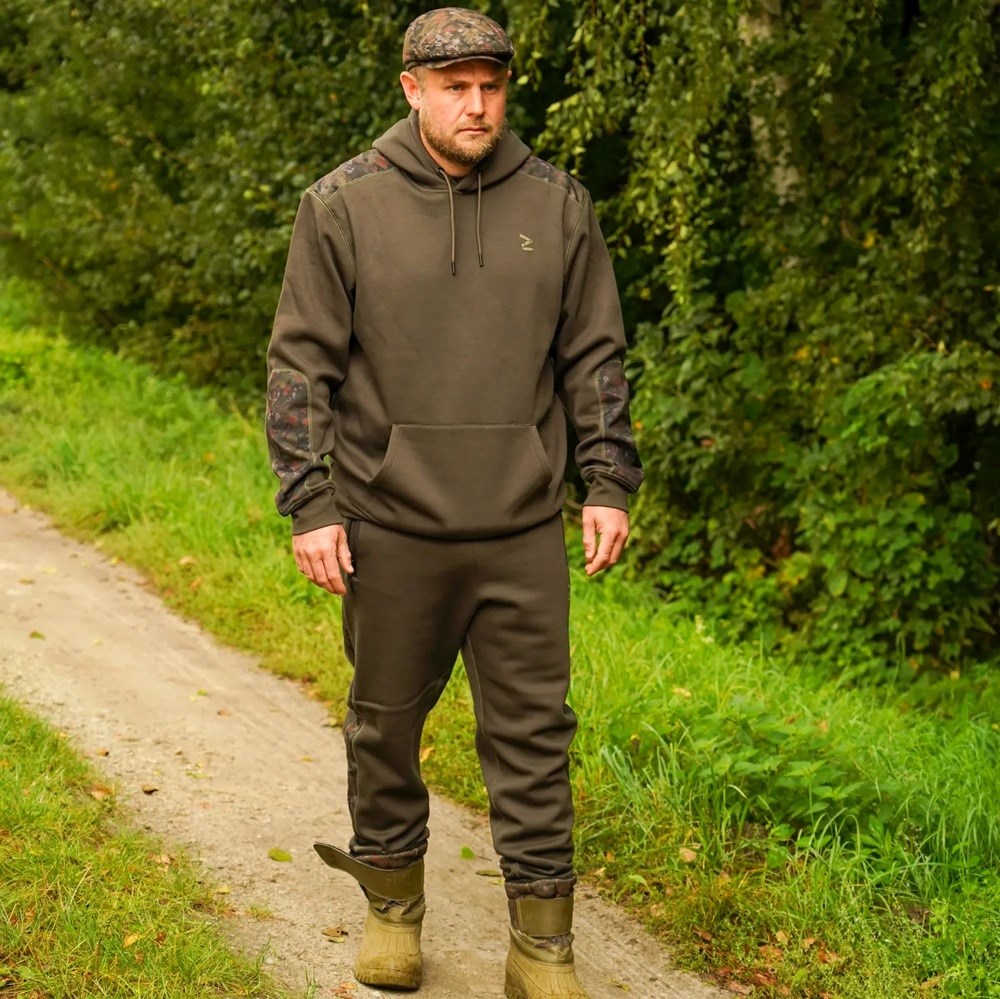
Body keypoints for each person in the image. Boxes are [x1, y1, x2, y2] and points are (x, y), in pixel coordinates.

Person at [265, 8, 643, 997]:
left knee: (534, 736)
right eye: (455, 87)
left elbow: (595, 356)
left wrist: (608, 480)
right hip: (390, 526)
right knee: (384, 724)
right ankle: (392, 909)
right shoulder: (342, 204)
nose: (477, 105)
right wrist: (310, 500)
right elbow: (300, 363)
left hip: (521, 528)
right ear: (412, 90)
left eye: (491, 85)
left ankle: (543, 947)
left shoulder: (558, 205)